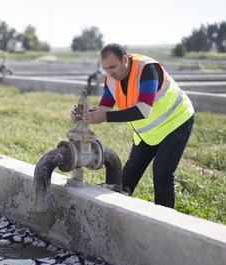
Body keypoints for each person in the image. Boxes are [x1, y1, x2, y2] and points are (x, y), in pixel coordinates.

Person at [72, 43, 194, 209]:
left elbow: (143, 110)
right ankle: (114, 212)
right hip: (148, 131)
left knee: (162, 172)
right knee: (129, 174)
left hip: (176, 121)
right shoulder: (111, 79)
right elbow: (104, 108)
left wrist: (105, 117)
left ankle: (166, 221)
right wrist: (84, 114)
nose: (110, 73)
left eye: (113, 67)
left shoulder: (147, 70)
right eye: (105, 68)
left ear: (124, 59)